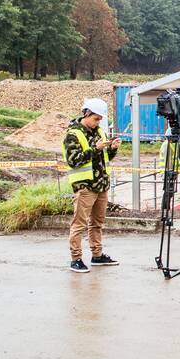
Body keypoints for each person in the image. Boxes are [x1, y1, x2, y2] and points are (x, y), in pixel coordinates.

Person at [65, 98, 120, 273]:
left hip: (101, 184)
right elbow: (74, 161)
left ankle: (97, 255)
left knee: (97, 223)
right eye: (96, 118)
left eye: (100, 119)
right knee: (79, 224)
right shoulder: (73, 134)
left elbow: (105, 159)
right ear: (86, 113)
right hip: (85, 187)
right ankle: (76, 259)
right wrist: (95, 149)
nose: (98, 122)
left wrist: (112, 149)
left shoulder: (100, 133)